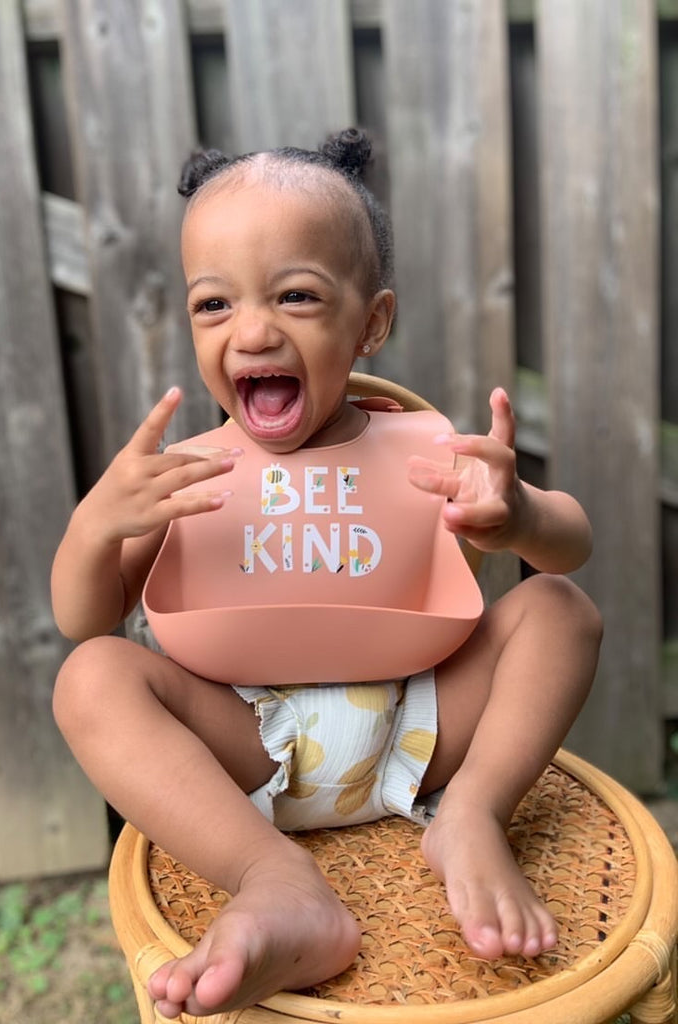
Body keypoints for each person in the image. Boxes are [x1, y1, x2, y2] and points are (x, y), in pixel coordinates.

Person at [51, 128, 602, 1019]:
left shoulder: (417, 453)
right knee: (90, 677)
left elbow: (571, 546)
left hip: (415, 728)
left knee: (561, 608)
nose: (253, 330)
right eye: (214, 305)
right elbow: (86, 617)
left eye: (296, 296)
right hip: (248, 746)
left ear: (370, 322)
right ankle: (275, 880)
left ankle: (474, 815)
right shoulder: (192, 473)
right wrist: (97, 526)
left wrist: (520, 516)